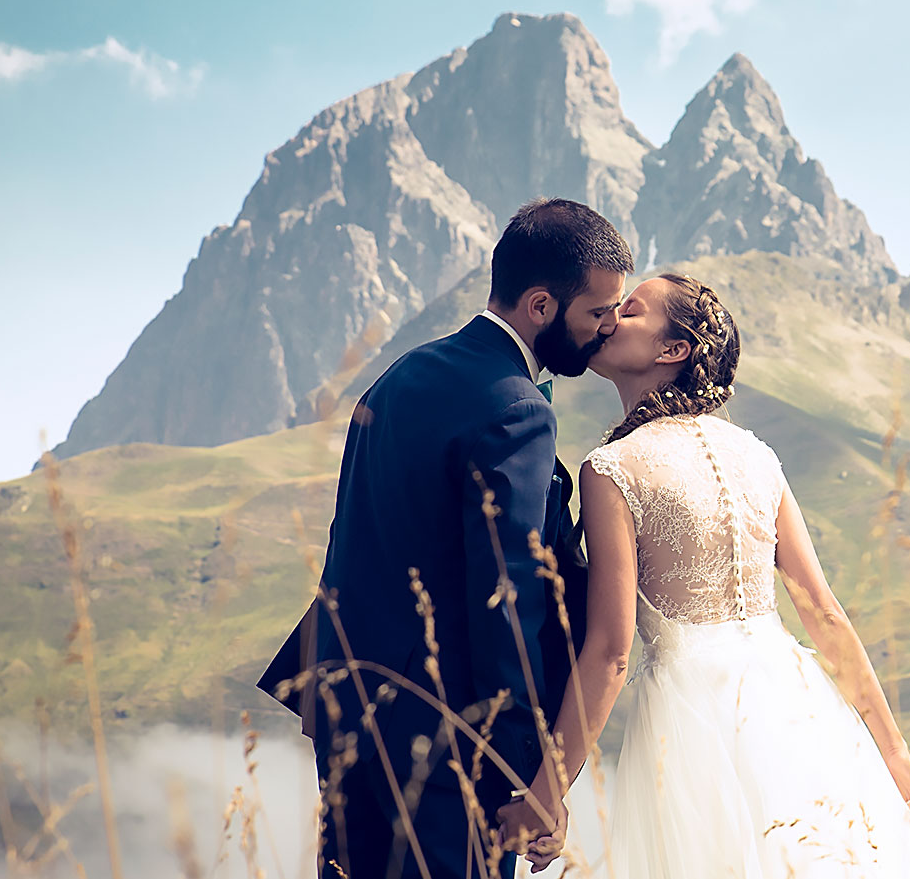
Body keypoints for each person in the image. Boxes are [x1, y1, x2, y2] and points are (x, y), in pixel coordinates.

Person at [504, 273, 910, 877]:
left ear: (673, 350)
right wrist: (892, 755)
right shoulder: (757, 456)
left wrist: (547, 792)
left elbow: (610, 653)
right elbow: (823, 613)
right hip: (795, 702)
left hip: (692, 719)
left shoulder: (610, 468)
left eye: (629, 312)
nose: (608, 319)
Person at [256, 197, 631, 879]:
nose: (608, 328)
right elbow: (507, 594)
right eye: (598, 312)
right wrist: (523, 766)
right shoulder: (517, 407)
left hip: (350, 716)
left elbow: (354, 534)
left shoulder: (400, 375)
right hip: (443, 739)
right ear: (542, 306)